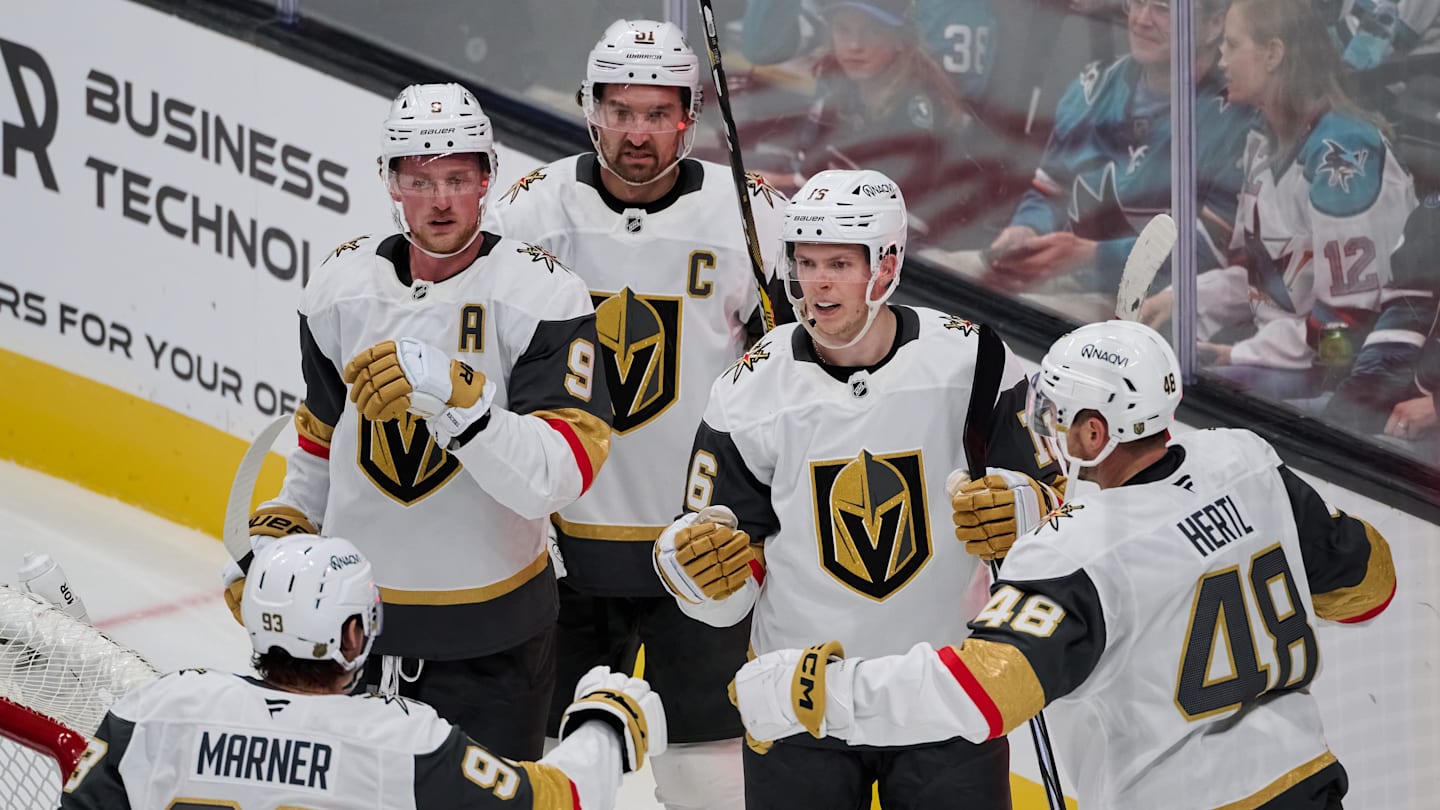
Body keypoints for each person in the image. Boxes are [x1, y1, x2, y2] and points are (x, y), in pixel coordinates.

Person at [732, 320, 1397, 809]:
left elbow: (978, 694)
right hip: (1310, 786)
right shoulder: (1246, 463)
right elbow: (1370, 588)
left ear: (1094, 433)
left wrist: (817, 692)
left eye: (1053, 413)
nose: (1041, 426)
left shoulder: (1078, 551)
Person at [651, 168, 1061, 809]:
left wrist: (1024, 508)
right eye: (805, 262)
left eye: (839, 263)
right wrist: (694, 573)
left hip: (944, 688)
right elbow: (723, 580)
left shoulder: (975, 359)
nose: (816, 284)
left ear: (888, 263)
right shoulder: (748, 390)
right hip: (799, 699)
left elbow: (1060, 510)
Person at [226, 82, 612, 761]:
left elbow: (555, 478)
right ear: (390, 183)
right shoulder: (341, 286)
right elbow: (320, 441)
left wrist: (459, 401)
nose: (440, 200)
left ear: (488, 178)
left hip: (494, 644)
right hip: (345, 635)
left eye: (458, 178)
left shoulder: (544, 295)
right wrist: (286, 529)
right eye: (420, 179)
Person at [483, 19, 787, 810]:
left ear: (690, 115)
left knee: (705, 774)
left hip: (703, 557)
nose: (640, 133)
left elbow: (790, 382)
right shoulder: (533, 213)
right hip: (561, 554)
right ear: (592, 109)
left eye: (659, 114)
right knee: (557, 768)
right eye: (623, 111)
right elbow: (492, 376)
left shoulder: (750, 218)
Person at [66, 535, 664, 810]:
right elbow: (551, 802)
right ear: (354, 634)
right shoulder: (404, 742)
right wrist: (605, 727)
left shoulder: (157, 712)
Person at [1147, 0, 1417, 400]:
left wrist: (1240, 356)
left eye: (1231, 45)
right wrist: (1180, 301)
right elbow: (1258, 280)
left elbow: (1345, 329)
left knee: (1174, 392)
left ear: (1273, 53)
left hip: (1340, 381)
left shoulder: (1341, 156)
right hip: (1276, 352)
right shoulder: (1262, 139)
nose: (1221, 59)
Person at [984, 0, 1253, 303]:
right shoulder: (1092, 88)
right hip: (1054, 274)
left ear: (1214, 25)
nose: (1141, 20)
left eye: (1163, 8)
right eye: (1137, 2)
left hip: (1144, 304)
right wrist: (1027, 229)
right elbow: (1049, 191)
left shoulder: (1238, 120)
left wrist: (1093, 257)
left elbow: (1208, 249)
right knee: (943, 275)